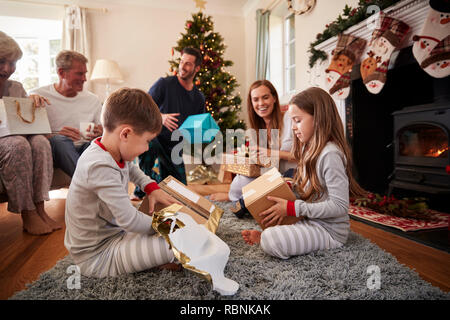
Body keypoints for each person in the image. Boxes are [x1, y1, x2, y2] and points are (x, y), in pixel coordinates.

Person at [64, 88, 181, 278]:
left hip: (115, 235)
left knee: (169, 236)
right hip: (98, 257)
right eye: (147, 141)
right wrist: (168, 226)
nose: (146, 148)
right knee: (182, 241)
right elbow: (129, 220)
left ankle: (150, 257)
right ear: (125, 134)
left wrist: (151, 187)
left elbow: (131, 170)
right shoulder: (98, 166)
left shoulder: (110, 150)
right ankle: (153, 259)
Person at [241, 87, 367, 259]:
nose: (293, 128)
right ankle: (276, 233)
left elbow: (340, 206)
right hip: (310, 219)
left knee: (271, 239)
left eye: (297, 120)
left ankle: (267, 237)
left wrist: (293, 208)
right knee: (271, 216)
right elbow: (311, 192)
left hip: (329, 231)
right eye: (292, 121)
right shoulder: (310, 150)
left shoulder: (330, 154)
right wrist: (287, 190)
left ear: (319, 119)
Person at [0, 31, 60, 235]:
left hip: (18, 137)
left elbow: (26, 121)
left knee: (41, 142)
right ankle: (27, 213)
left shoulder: (15, 87)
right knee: (17, 144)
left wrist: (32, 101)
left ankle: (40, 208)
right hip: (9, 143)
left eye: (13, 62)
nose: (8, 69)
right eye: (2, 61)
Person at [133, 47, 205, 199]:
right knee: (149, 146)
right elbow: (141, 106)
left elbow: (197, 127)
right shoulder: (164, 84)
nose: (182, 67)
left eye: (188, 64)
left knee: (179, 192)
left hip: (174, 146)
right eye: (182, 61)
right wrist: (161, 117)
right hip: (154, 137)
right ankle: (141, 190)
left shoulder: (199, 98)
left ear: (197, 68)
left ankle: (156, 184)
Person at [210, 80, 296, 207]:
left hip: (292, 177)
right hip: (272, 176)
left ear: (274, 98)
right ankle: (235, 197)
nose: (261, 103)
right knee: (241, 179)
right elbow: (265, 166)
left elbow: (303, 156)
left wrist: (270, 153)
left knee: (246, 186)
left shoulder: (289, 118)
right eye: (256, 99)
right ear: (251, 103)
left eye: (265, 97)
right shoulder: (257, 129)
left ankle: (236, 198)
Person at [32, 50, 103, 177]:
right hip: (56, 149)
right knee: (60, 141)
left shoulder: (92, 100)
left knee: (100, 143)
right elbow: (30, 133)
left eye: (85, 74)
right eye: (79, 74)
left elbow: (103, 129)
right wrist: (55, 135)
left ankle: (91, 183)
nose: (84, 79)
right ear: (61, 72)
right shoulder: (38, 96)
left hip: (84, 147)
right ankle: (87, 182)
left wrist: (100, 132)